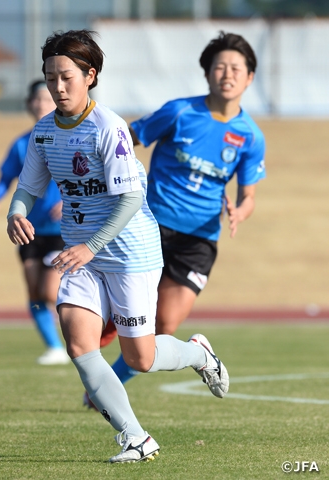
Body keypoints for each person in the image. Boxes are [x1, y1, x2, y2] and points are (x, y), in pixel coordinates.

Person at [6, 29, 229, 463]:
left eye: (66, 76)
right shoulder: (45, 132)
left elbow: (130, 199)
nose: (57, 86)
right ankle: (136, 437)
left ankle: (199, 353)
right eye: (50, 77)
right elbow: (28, 187)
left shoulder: (108, 127)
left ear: (90, 76)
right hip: (81, 255)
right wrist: (17, 211)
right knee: (78, 343)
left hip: (130, 254)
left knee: (140, 357)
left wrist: (91, 246)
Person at [98, 31, 266, 391]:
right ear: (207, 73)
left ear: (249, 77)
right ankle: (107, 358)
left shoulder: (250, 136)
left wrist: (239, 212)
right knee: (125, 309)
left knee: (165, 325)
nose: (227, 74)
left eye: (237, 68)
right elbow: (125, 140)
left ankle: (112, 382)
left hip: (199, 241)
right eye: (219, 66)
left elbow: (248, 196)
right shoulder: (179, 112)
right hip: (150, 226)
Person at [0, 80, 68, 366]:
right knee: (34, 294)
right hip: (29, 229)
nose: (42, 104)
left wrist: (68, 202)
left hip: (63, 233)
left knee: (48, 291)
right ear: (29, 104)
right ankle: (54, 346)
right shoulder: (22, 144)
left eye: (47, 99)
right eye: (37, 100)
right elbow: (7, 177)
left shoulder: (70, 138)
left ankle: (86, 332)